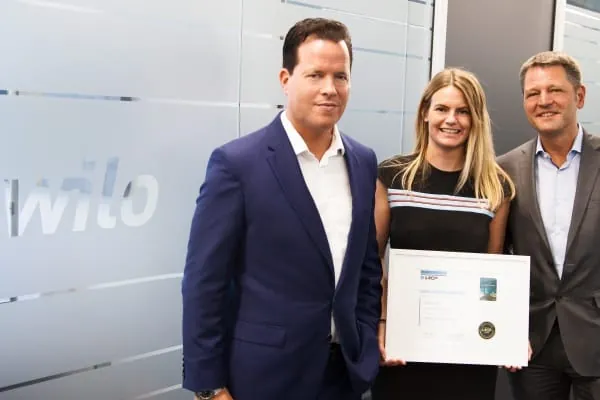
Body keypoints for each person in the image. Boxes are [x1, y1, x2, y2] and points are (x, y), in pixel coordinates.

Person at [181, 18, 382, 400]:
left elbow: (367, 268)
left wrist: (366, 342)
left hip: (342, 377)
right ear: (285, 79)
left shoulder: (363, 161)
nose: (329, 89)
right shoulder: (237, 164)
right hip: (263, 379)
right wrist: (209, 388)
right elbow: (204, 282)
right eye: (315, 75)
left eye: (340, 76)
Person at [372, 67, 516, 400]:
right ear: (425, 112)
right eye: (442, 108)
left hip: (467, 349)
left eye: (463, 111)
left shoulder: (495, 187)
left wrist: (504, 331)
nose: (451, 119)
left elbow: (491, 272)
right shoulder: (393, 177)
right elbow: (372, 259)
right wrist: (382, 321)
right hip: (403, 343)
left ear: (475, 119)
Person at [499, 51, 600, 400]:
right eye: (533, 93)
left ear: (579, 96)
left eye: (555, 90)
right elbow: (497, 255)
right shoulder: (504, 169)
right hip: (532, 342)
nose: (544, 101)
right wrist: (505, 325)